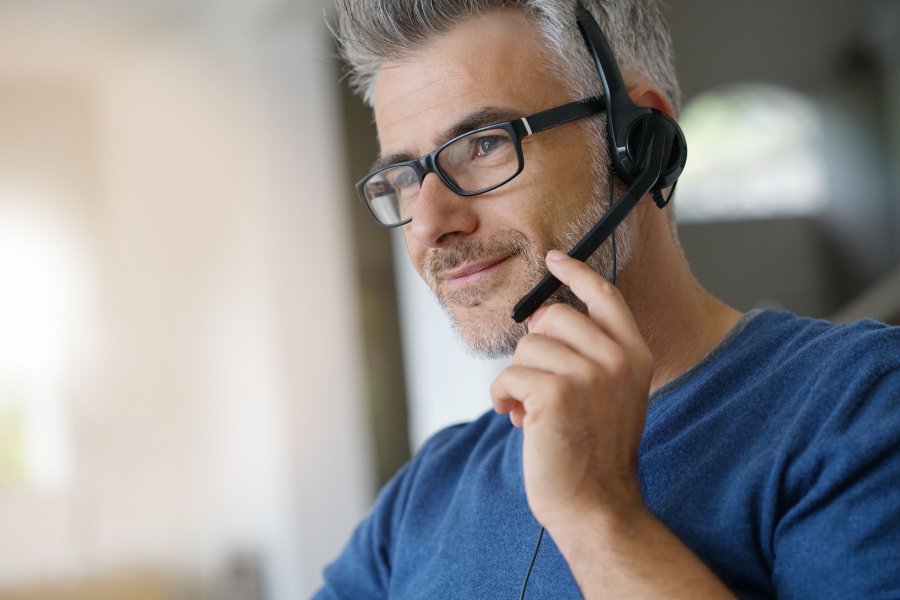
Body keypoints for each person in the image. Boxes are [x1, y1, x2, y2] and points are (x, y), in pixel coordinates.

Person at [316, 0, 900, 597]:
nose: (428, 225)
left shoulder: (865, 405)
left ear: (639, 143)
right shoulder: (424, 492)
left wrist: (597, 516)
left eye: (482, 145)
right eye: (407, 178)